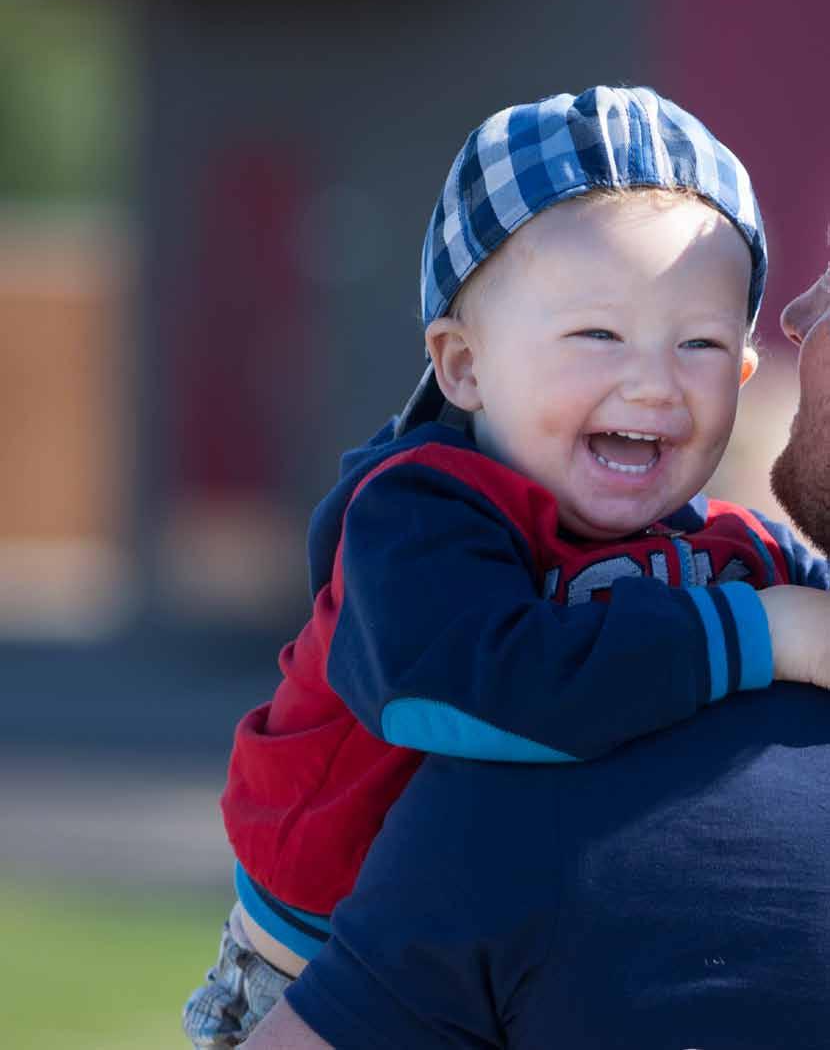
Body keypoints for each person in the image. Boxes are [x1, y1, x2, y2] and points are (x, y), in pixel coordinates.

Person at [183, 86, 830, 1047]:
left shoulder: (735, 547)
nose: (652, 379)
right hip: (307, 966)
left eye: (697, 342)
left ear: (741, 371)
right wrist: (761, 633)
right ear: (463, 367)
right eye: (597, 335)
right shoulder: (419, 517)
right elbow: (482, 687)